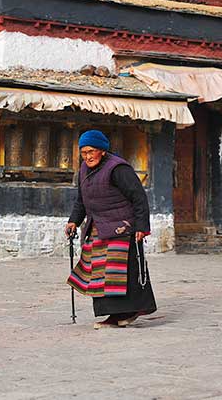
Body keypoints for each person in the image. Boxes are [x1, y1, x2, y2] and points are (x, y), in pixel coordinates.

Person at [65, 129, 157, 329]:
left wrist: (142, 226)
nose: (88, 156)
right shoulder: (83, 170)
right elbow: (81, 200)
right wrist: (74, 220)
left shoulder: (118, 169)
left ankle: (124, 313)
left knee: (118, 273)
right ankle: (116, 315)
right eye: (84, 153)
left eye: (92, 151)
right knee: (100, 274)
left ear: (103, 151)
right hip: (97, 228)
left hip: (121, 229)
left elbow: (138, 198)